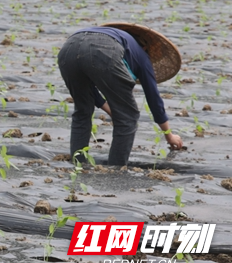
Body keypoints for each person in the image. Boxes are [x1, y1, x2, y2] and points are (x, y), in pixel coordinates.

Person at [57, 25, 183, 166]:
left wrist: (109, 109)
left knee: (82, 111)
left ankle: (78, 165)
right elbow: (153, 98)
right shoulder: (142, 56)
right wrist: (169, 135)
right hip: (104, 50)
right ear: (146, 48)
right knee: (128, 116)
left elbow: (89, 90)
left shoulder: (120, 39)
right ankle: (115, 173)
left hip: (68, 48)